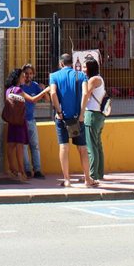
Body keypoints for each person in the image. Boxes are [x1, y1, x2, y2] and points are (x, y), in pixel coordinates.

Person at [48, 52, 91, 187]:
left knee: (64, 147)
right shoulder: (81, 75)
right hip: (77, 118)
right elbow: (85, 93)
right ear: (72, 64)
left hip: (62, 118)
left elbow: (53, 93)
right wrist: (82, 113)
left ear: (61, 63)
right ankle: (87, 179)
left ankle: (67, 180)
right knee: (82, 148)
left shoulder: (54, 76)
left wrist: (59, 111)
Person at [5, 67, 51, 181]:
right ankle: (22, 172)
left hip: (12, 121)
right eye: (22, 76)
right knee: (20, 147)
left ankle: (12, 170)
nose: (24, 78)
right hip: (21, 121)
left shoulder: (9, 89)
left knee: (11, 145)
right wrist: (45, 90)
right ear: (18, 78)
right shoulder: (18, 90)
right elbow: (32, 99)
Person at [79, 56, 107, 186]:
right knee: (97, 145)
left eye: (85, 67)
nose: (83, 69)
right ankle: (99, 172)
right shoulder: (99, 78)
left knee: (91, 146)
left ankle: (91, 175)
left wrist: (81, 112)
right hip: (99, 115)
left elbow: (86, 94)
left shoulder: (93, 80)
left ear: (90, 68)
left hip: (91, 114)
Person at [19, 63, 46, 179]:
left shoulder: (35, 86)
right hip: (21, 121)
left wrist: (43, 89)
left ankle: (37, 170)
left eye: (30, 73)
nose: (28, 75)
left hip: (31, 120)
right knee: (24, 146)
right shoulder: (20, 86)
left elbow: (47, 99)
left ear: (33, 74)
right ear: (23, 74)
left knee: (35, 145)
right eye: (26, 73)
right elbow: (33, 99)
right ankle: (27, 170)